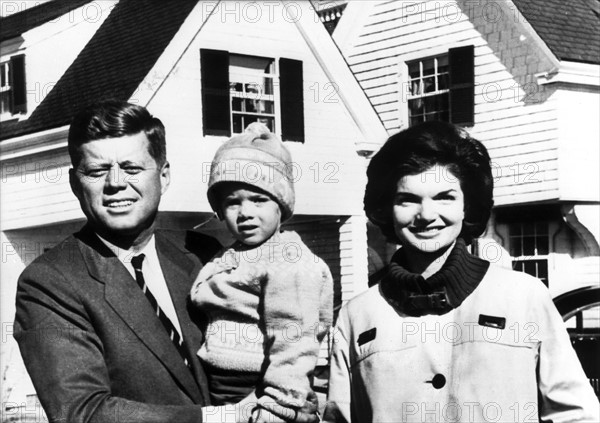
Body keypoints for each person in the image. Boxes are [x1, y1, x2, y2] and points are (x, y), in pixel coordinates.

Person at [14, 100, 272, 423]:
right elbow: (83, 413)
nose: (115, 183)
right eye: (96, 171)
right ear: (74, 184)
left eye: (132, 168)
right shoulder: (49, 282)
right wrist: (221, 418)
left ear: (164, 177)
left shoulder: (205, 254)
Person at [323, 121, 599, 423]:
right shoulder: (357, 315)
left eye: (445, 197)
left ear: (468, 205)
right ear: (386, 208)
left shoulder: (524, 297)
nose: (426, 215)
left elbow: (575, 414)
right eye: (408, 199)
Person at [190, 123, 334, 422]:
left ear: (282, 204)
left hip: (263, 387)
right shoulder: (229, 255)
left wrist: (278, 407)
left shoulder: (289, 260)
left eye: (258, 199)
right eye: (232, 202)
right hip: (218, 386)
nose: (245, 213)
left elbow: (294, 341)